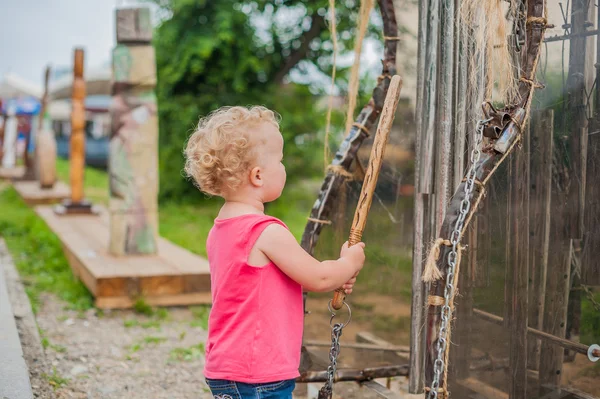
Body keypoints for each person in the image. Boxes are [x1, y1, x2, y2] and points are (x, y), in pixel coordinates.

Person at [184, 105, 366, 398]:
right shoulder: (266, 231)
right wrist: (349, 262)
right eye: (280, 161)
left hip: (226, 369)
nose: (284, 168)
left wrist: (338, 275)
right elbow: (318, 278)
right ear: (257, 176)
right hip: (258, 374)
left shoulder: (220, 229)